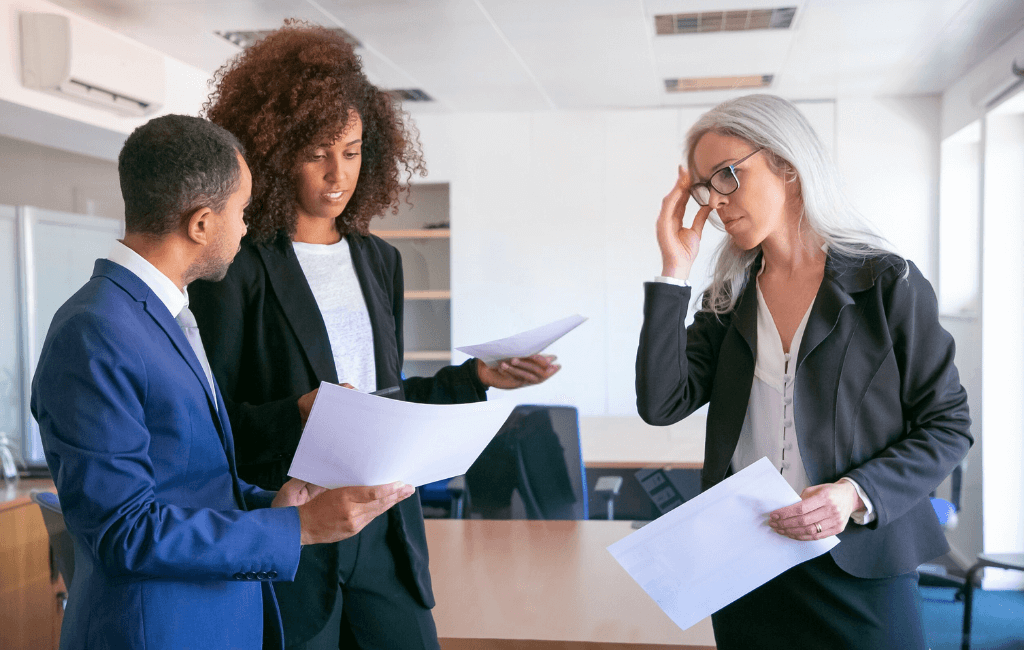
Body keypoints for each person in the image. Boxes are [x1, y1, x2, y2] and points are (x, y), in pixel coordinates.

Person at [188, 23, 560, 649]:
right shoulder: (237, 270)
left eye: (353, 152)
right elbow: (208, 426)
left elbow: (387, 399)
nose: (338, 174)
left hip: (387, 525)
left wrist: (475, 378)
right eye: (317, 154)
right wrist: (298, 412)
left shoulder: (379, 261)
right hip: (297, 533)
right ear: (275, 153)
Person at [30, 114, 415, 650]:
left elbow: (192, 483)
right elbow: (125, 533)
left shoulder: (161, 316)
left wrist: (278, 506)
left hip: (213, 619)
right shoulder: (95, 331)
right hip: (157, 633)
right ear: (202, 224)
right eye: (242, 211)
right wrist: (300, 530)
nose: (246, 228)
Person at [635, 94, 972, 649]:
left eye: (727, 176)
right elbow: (662, 403)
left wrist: (854, 494)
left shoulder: (888, 283)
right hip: (746, 558)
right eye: (704, 188)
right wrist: (675, 272)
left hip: (859, 559)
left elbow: (947, 425)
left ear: (787, 165)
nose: (715, 202)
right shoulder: (729, 296)